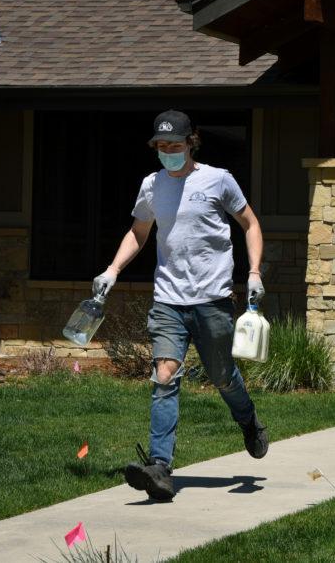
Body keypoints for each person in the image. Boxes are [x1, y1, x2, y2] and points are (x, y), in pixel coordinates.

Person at [92, 110, 268, 501]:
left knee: (223, 376)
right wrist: (112, 270)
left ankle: (248, 419)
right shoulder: (151, 186)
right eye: (160, 146)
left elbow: (250, 224)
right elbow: (139, 233)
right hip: (169, 299)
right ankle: (160, 469)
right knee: (165, 375)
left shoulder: (218, 180)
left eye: (174, 145)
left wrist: (254, 271)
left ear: (192, 141)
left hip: (212, 299)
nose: (167, 152)